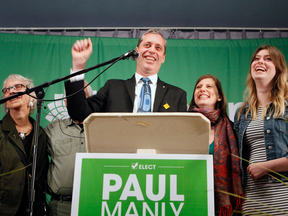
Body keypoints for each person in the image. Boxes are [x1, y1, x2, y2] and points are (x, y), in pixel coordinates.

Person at [65, 29, 187, 122]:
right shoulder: (113, 87)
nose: (152, 51)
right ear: (137, 50)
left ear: (163, 57)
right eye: (147, 45)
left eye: (158, 48)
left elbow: (182, 133)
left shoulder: (177, 95)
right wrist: (78, 65)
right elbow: (79, 113)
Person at [234, 45, 288, 215]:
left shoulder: (286, 108)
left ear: (278, 69)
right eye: (256, 58)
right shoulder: (242, 112)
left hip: (283, 201)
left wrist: (267, 166)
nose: (260, 61)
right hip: (252, 201)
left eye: (268, 58)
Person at [188, 74, 243, 215]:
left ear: (219, 97)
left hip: (219, 205)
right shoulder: (183, 126)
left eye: (208, 86)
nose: (202, 89)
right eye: (198, 87)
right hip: (186, 198)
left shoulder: (231, 129)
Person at [0, 74, 49, 216]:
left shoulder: (41, 133)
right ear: (5, 102)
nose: (11, 91)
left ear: (31, 97)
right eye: (7, 89)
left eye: (18, 87)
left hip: (36, 208)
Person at [45, 81, 93, 216]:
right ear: (66, 103)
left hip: (96, 204)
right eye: (72, 98)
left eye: (82, 96)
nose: (77, 101)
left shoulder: (104, 127)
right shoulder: (53, 129)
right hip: (61, 207)